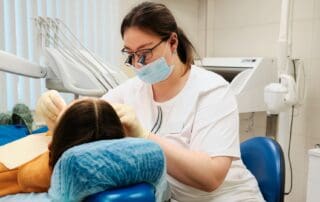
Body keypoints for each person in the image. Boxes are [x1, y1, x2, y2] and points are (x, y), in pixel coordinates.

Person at [36, 2, 265, 201]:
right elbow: (91, 116)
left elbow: (211, 177)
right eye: (131, 54)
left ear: (172, 42)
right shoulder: (133, 90)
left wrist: (146, 137)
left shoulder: (212, 91)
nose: (138, 64)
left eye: (145, 53)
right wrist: (58, 112)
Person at [0, 98, 125, 196]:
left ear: (51, 146)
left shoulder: (34, 171)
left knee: (13, 127)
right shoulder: (111, 158)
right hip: (40, 137)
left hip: (14, 143)